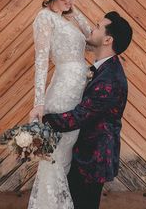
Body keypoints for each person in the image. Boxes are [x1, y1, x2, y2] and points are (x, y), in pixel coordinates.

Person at [42, 11, 132, 209]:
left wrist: (44, 119)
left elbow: (79, 117)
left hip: (92, 159)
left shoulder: (110, 79)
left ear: (108, 39)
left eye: (98, 27)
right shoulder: (103, 69)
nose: (93, 28)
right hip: (84, 154)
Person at [27, 0, 94, 209]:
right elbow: (41, 61)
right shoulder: (44, 18)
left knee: (68, 157)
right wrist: (39, 102)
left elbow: (93, 38)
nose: (72, 1)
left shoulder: (68, 16)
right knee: (56, 157)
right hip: (63, 92)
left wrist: (75, 13)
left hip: (80, 90)